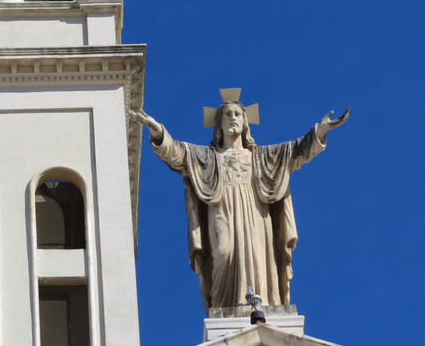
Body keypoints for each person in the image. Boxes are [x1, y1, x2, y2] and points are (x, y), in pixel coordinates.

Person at [130, 96, 348, 310]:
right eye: (227, 114)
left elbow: (296, 151)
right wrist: (158, 131)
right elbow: (177, 153)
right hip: (221, 209)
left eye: (237, 114)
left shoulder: (262, 157)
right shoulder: (206, 157)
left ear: (245, 122)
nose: (233, 118)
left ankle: (260, 303)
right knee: (223, 251)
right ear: (219, 123)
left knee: (256, 256)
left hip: (256, 212)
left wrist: (320, 131)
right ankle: (223, 305)